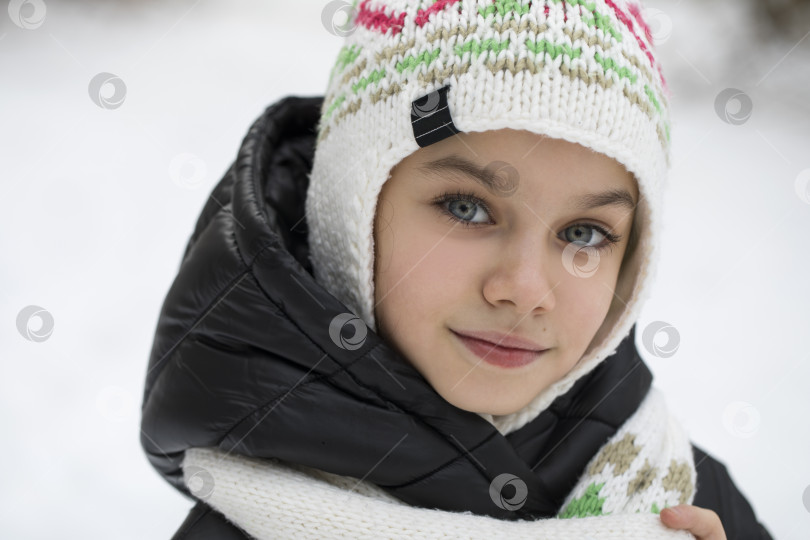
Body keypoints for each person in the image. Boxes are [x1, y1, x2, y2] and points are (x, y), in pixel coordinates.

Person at [139, 1, 774, 538]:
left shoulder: (681, 494)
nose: (525, 290)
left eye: (584, 234)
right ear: (347, 211)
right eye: (467, 209)